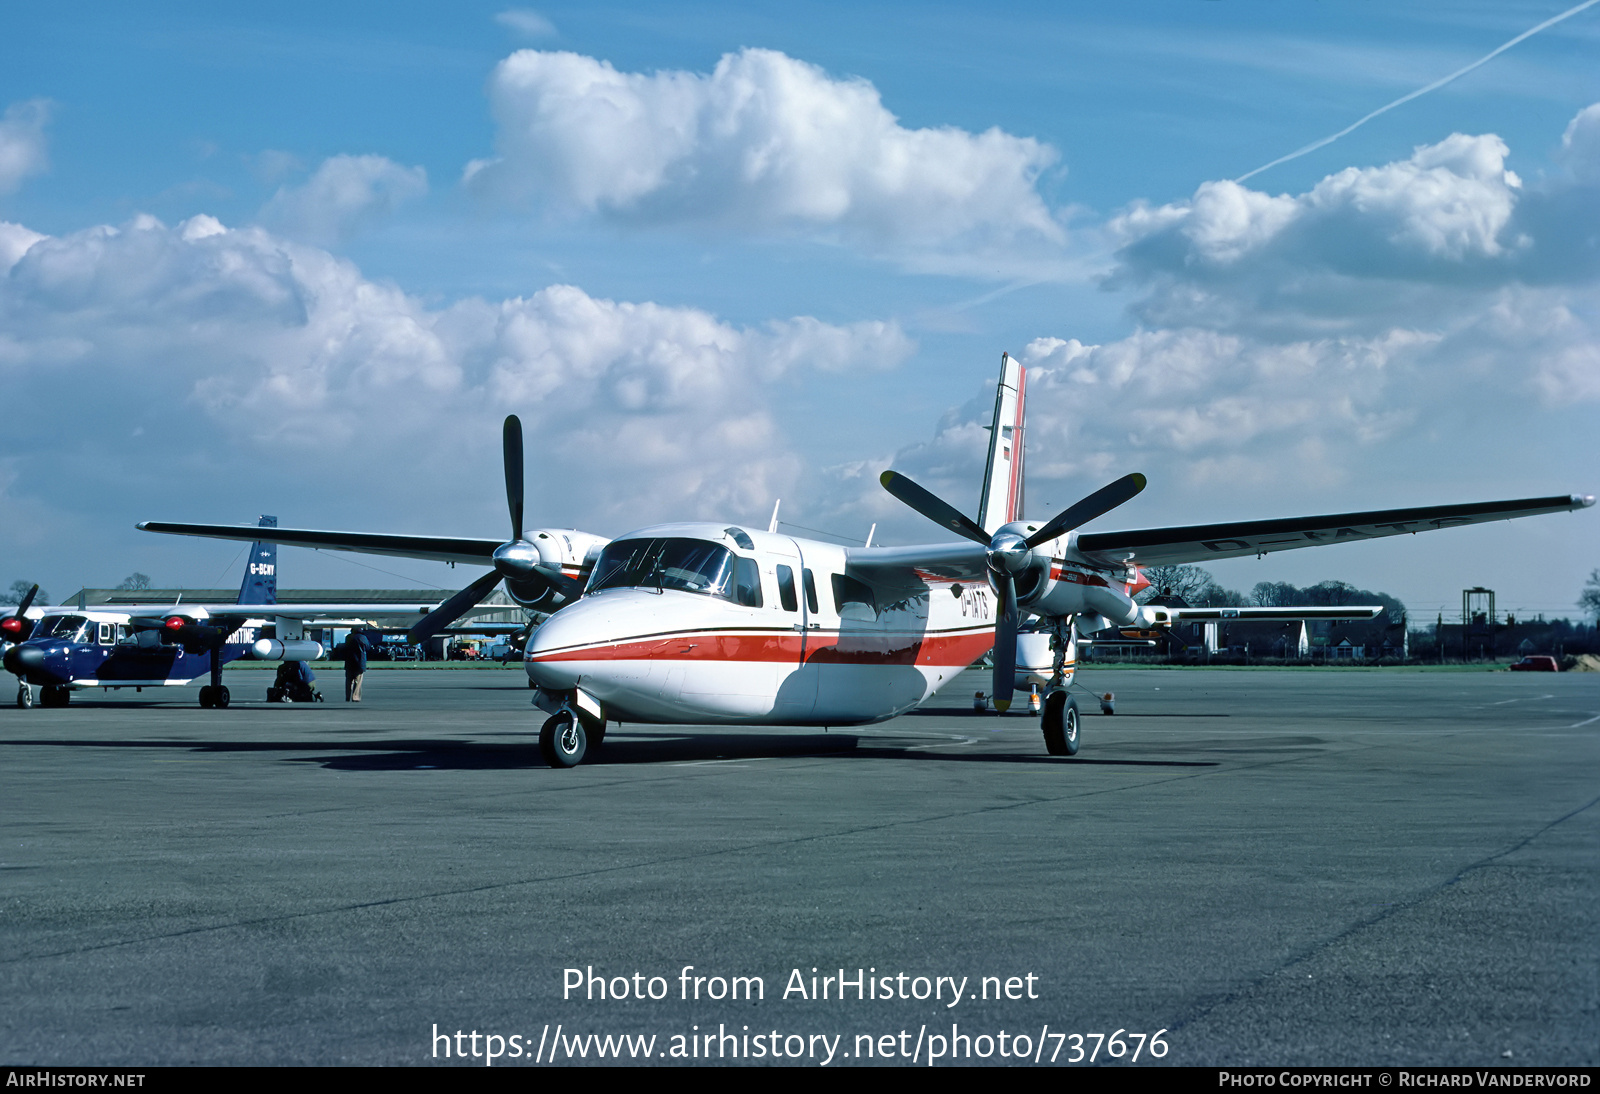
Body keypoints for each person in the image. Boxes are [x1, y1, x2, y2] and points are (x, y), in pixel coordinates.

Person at [344, 631, 369, 702]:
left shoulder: (348, 637)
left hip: (349, 661)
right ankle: (355, 696)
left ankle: (347, 696)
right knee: (358, 681)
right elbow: (368, 647)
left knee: (349, 680)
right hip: (359, 662)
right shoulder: (362, 637)